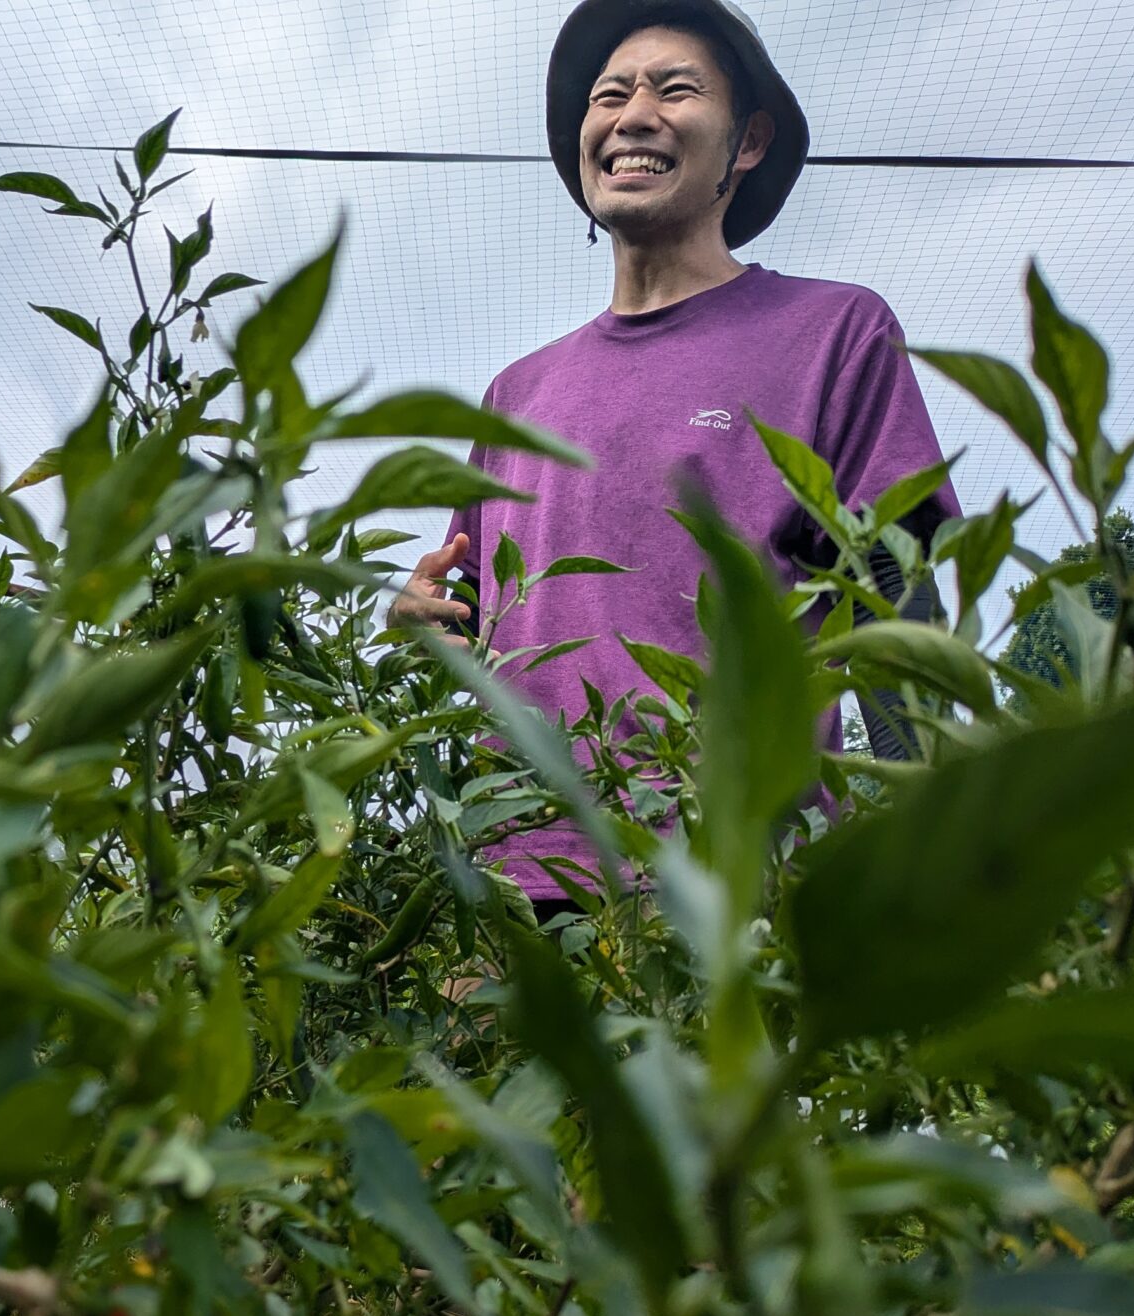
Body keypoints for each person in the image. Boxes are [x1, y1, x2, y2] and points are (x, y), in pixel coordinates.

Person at [391, 0, 959, 906]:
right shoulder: (517, 395)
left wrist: (927, 856)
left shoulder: (831, 334)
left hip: (737, 877)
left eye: (675, 89)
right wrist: (426, 620)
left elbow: (902, 601)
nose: (632, 115)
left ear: (748, 142)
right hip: (515, 888)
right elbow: (484, 626)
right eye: (608, 95)